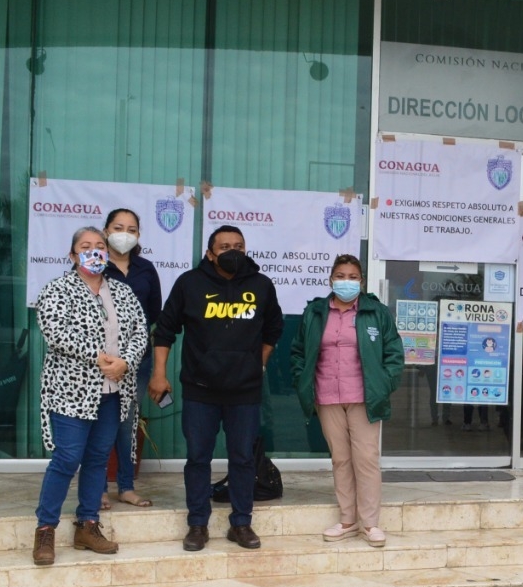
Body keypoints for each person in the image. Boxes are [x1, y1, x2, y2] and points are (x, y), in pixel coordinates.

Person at [150, 225, 283, 552]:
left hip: (245, 392)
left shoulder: (261, 285)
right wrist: (158, 373)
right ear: (210, 253)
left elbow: (273, 330)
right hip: (200, 389)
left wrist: (257, 363)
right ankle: (198, 523)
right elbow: (165, 331)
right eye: (224, 246)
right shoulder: (189, 283)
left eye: (238, 245)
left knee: (242, 459)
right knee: (198, 458)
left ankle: (241, 523)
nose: (232, 251)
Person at [31, 227, 148, 566]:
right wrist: (98, 358)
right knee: (68, 458)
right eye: (86, 246)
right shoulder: (57, 289)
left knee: (98, 459)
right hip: (71, 390)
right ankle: (45, 530)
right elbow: (54, 331)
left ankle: (88, 525)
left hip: (113, 390)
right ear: (72, 255)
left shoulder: (123, 293)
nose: (94, 251)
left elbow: (140, 331)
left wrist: (124, 362)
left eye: (100, 246)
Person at [292, 254, 403, 548]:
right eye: (341, 276)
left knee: (365, 460)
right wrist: (300, 377)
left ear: (361, 281)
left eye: (353, 277)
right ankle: (347, 521)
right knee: (341, 460)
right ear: (331, 279)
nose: (346, 281)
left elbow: (394, 352)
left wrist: (384, 383)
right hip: (326, 396)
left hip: (365, 398)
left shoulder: (375, 312)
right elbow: (299, 351)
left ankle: (370, 524)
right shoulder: (316, 312)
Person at [101, 208, 162, 509]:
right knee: (97, 421)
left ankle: (125, 485)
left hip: (136, 360)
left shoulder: (146, 269)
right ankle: (97, 488)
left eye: (132, 229)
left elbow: (153, 317)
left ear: (138, 235)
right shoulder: (94, 267)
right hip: (99, 361)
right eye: (118, 227)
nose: (124, 233)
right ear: (106, 231)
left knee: (126, 422)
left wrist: (136, 357)